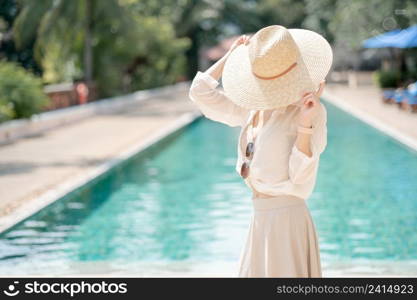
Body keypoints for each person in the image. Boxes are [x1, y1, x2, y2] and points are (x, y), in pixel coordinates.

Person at [188, 25, 333, 277]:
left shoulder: (307, 111)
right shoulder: (252, 109)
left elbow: (302, 180)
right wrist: (229, 57)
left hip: (288, 222)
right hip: (260, 220)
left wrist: (305, 123)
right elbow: (200, 93)